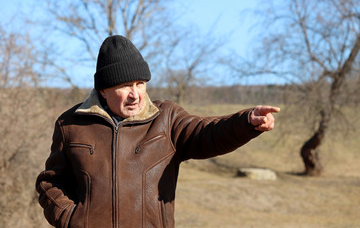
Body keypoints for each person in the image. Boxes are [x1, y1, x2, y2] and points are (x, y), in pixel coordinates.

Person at [36, 35, 280, 228]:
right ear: (103, 90)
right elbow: (50, 183)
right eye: (124, 86)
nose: (135, 94)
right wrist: (71, 218)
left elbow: (209, 133)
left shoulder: (167, 119)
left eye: (140, 83)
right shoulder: (70, 124)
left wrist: (246, 121)